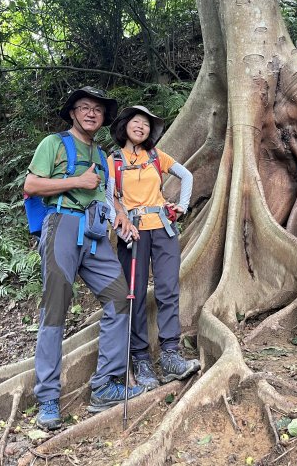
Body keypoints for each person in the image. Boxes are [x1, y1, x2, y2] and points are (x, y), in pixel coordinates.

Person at [24, 87, 144, 431]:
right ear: (73, 112)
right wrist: (77, 180)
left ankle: (105, 384)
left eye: (98, 110)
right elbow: (32, 185)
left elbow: (104, 196)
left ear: (104, 118)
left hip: (94, 234)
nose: (92, 113)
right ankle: (47, 396)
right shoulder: (55, 143)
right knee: (55, 308)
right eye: (85, 107)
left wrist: (119, 216)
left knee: (120, 298)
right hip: (61, 225)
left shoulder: (101, 154)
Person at [106, 105, 200, 391]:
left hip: (162, 228)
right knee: (133, 294)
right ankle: (140, 358)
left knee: (168, 289)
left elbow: (187, 176)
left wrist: (182, 207)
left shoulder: (157, 156)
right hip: (132, 233)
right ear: (124, 126)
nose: (141, 126)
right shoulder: (114, 161)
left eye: (146, 124)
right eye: (135, 122)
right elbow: (108, 197)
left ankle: (171, 354)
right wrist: (119, 226)